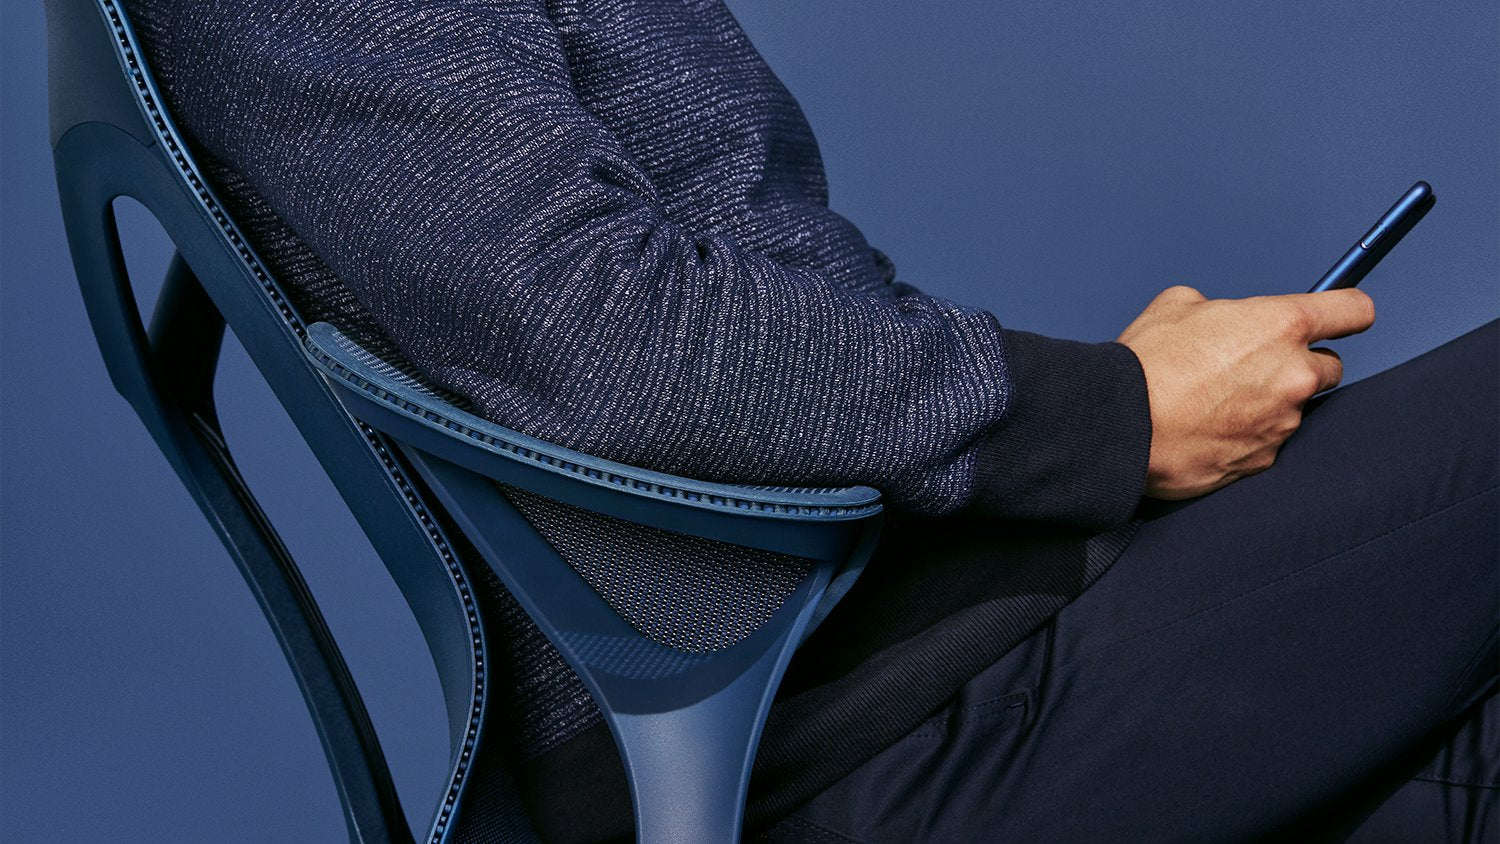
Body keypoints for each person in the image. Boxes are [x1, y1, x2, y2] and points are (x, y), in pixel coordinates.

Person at [122, 0, 1497, 840]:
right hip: (850, 728)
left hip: (941, 621)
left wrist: (1111, 418)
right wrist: (1114, 414)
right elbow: (611, 338)